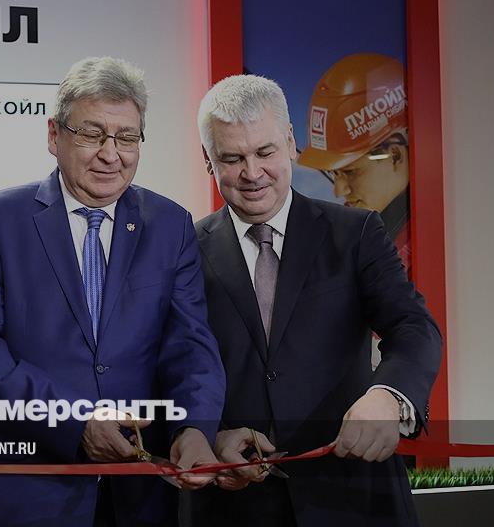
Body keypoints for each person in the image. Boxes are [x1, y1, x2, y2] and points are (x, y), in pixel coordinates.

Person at [0, 56, 225, 527]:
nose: (111, 154)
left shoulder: (170, 224)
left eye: (126, 137)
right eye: (93, 134)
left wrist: (196, 427)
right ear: (54, 136)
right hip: (31, 492)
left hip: (140, 494)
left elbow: (191, 343)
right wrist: (73, 423)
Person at [187, 74, 442, 526]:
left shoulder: (356, 233)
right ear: (208, 161)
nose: (252, 173)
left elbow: (413, 326)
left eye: (265, 152)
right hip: (234, 508)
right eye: (232, 158)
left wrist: (388, 396)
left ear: (291, 142)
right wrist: (210, 435)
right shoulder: (183, 252)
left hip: (354, 497)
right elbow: (170, 365)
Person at [298, 53, 411, 267]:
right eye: (334, 173)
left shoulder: (409, 252)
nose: (339, 191)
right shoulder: (377, 237)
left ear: (395, 156)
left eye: (351, 171)